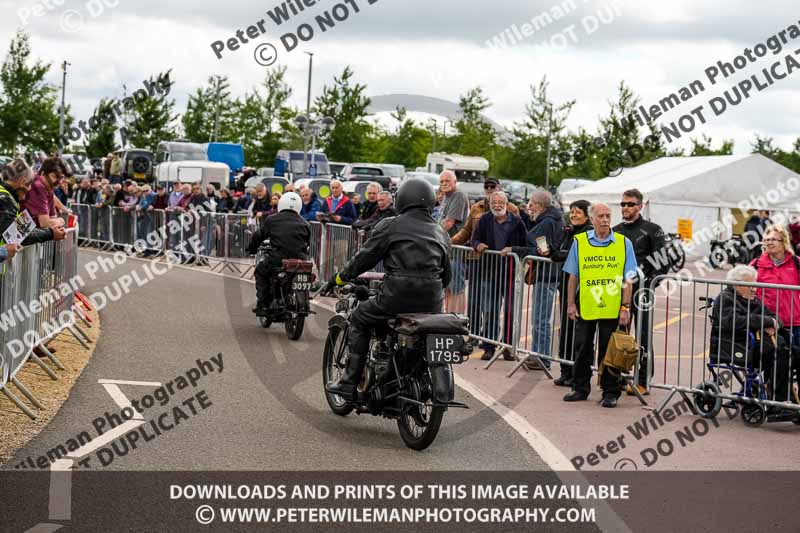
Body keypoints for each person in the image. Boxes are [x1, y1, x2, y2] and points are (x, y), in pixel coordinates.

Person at [325, 178, 451, 399]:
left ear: (401, 199)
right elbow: (447, 276)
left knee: (360, 318)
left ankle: (348, 383)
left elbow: (363, 259)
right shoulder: (441, 232)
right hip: (433, 300)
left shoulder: (391, 224)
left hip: (396, 296)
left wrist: (339, 278)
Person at [562, 202, 638, 408]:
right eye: (601, 216)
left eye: (608, 216)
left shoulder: (624, 243)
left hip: (612, 306)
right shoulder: (580, 241)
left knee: (609, 352)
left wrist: (625, 306)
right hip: (586, 305)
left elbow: (629, 278)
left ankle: (610, 392)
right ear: (592, 219)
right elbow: (573, 276)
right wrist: (570, 304)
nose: (605, 220)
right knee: (582, 348)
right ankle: (580, 388)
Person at [711, 265, 798, 405]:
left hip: (764, 344)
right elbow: (734, 321)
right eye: (750, 285)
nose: (754, 289)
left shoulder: (753, 299)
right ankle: (778, 401)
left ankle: (791, 396)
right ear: (737, 285)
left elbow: (775, 317)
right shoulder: (726, 298)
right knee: (780, 356)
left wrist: (774, 324)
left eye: (755, 284)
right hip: (742, 346)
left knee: (795, 353)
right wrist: (765, 322)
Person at [612, 188, 668, 396]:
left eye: (630, 204)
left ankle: (642, 380)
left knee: (642, 337)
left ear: (640, 206)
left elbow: (662, 264)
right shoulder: (615, 230)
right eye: (623, 204)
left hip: (642, 293)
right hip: (616, 292)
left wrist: (648, 286)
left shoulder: (653, 230)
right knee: (618, 335)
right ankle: (617, 377)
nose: (625, 208)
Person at [451, 177, 519, 326]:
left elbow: (518, 235)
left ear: (499, 187)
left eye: (492, 186)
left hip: (499, 263)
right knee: (474, 301)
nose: (489, 189)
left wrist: (513, 249)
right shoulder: (476, 207)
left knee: (491, 305)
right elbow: (466, 231)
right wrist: (448, 241)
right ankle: (474, 333)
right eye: (486, 186)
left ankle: (489, 335)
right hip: (476, 260)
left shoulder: (512, 209)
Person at [510, 190, 564, 370]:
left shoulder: (546, 223)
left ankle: (541, 358)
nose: (529, 207)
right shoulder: (555, 219)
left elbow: (540, 249)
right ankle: (538, 356)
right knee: (542, 319)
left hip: (545, 275)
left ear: (540, 205)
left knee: (540, 319)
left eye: (531, 204)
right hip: (552, 274)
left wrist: (514, 249)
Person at [472, 191, 528, 361]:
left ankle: (508, 347)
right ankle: (489, 346)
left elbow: (527, 246)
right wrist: (478, 244)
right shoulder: (485, 219)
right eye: (493, 202)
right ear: (489, 204)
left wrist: (513, 249)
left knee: (511, 311)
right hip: (490, 272)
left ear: (506, 204)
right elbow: (473, 240)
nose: (497, 205)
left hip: (510, 274)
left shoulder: (517, 221)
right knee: (491, 310)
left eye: (500, 202)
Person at [246, 192, 311, 316]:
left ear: (281, 204)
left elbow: (258, 236)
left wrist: (251, 248)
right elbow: (307, 242)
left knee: (260, 271)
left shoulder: (272, 219)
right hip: (300, 260)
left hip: (278, 258)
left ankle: (263, 304)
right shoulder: (305, 223)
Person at [550, 200, 592, 387]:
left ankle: (577, 373)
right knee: (565, 330)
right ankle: (565, 370)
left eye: (578, 212)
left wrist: (557, 254)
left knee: (579, 333)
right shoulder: (569, 231)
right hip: (566, 286)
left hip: (583, 290)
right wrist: (551, 251)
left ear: (587, 215)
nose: (574, 215)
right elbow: (559, 250)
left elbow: (573, 256)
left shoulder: (589, 233)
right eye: (572, 212)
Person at [750, 225, 800, 350]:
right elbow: (743, 291)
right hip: (767, 324)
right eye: (767, 240)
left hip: (794, 323)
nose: (769, 242)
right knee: (774, 364)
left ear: (784, 242)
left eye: (773, 239)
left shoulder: (796, 263)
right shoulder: (756, 264)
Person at [0, 158, 66, 246]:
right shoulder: (5, 199)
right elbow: (14, 235)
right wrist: (50, 234)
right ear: (22, 182)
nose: (30, 188)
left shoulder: (7, 196)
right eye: (29, 183)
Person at [23, 157, 68, 230]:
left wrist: (56, 220)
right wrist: (62, 221)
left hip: (28, 235)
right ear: (43, 173)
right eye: (55, 176)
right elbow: (45, 223)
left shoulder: (49, 189)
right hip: (23, 237)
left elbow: (53, 217)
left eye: (61, 177)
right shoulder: (39, 186)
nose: (59, 182)